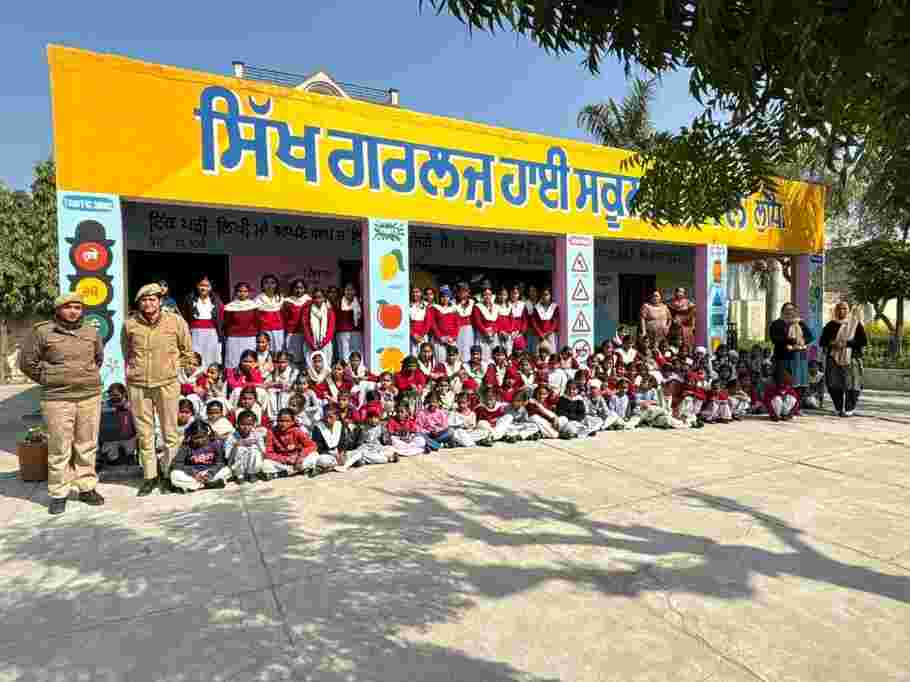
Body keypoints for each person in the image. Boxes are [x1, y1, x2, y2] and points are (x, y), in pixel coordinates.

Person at [19, 292, 106, 514]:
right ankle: (59, 493)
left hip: (89, 395)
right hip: (57, 399)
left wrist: (84, 376)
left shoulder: (91, 331)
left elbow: (98, 358)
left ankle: (86, 487)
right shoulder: (43, 331)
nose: (73, 311)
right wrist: (49, 379)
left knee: (87, 444)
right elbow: (27, 362)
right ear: (58, 309)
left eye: (77, 307)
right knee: (59, 447)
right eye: (68, 307)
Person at [122, 283, 195, 496]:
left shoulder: (175, 321)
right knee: (144, 433)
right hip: (138, 384)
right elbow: (127, 352)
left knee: (170, 431)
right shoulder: (130, 324)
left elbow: (187, 350)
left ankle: (169, 473)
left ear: (160, 301)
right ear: (139, 303)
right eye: (144, 300)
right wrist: (134, 371)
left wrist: (177, 369)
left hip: (167, 382)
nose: (148, 303)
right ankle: (150, 476)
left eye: (152, 299)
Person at [819, 301, 868, 417]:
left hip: (852, 358)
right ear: (836, 311)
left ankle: (849, 408)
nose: (842, 311)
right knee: (833, 384)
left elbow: (863, 341)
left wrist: (847, 343)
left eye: (844, 309)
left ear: (848, 310)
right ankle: (838, 407)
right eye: (839, 309)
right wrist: (832, 343)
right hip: (833, 358)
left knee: (852, 384)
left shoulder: (855, 324)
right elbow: (822, 341)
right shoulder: (830, 325)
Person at [169, 421, 232, 493]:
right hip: (193, 475)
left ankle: (197, 486)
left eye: (203, 437)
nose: (200, 440)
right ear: (191, 437)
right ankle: (207, 485)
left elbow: (220, 462)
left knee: (227, 470)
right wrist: (194, 473)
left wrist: (210, 473)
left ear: (207, 434)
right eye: (196, 438)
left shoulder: (215, 444)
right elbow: (177, 464)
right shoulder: (186, 446)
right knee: (174, 475)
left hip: (209, 472)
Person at [769, 302, 814, 391]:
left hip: (799, 357)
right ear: (782, 311)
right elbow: (775, 339)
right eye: (787, 309)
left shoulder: (800, 323)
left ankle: (799, 397)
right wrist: (791, 340)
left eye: (792, 309)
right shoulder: (777, 324)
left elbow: (810, 337)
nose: (790, 312)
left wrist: (802, 341)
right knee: (783, 383)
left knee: (799, 385)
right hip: (783, 357)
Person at [183, 275, 224, 370]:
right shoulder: (190, 299)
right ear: (197, 286)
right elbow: (185, 317)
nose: (203, 288)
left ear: (211, 287)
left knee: (210, 355)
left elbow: (221, 318)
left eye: (206, 286)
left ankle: (210, 375)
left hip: (212, 333)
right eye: (201, 285)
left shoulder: (216, 301)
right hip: (195, 333)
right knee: (196, 355)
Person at [98, 382, 137, 467]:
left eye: (116, 395)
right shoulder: (105, 406)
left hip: (129, 437)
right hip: (111, 439)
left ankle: (130, 458)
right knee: (113, 458)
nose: (113, 397)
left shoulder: (131, 405)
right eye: (111, 395)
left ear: (123, 394)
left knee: (130, 452)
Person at [223, 411, 267, 483]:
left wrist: (256, 444)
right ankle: (239, 475)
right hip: (237, 465)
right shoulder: (232, 436)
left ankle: (252, 473)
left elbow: (263, 454)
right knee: (240, 448)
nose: (246, 427)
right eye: (243, 424)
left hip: (251, 464)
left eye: (249, 424)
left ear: (254, 425)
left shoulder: (257, 435)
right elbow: (228, 457)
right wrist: (235, 446)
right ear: (237, 424)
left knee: (254, 448)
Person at [223, 282, 259, 369]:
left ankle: (249, 376)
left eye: (245, 291)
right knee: (233, 359)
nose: (242, 293)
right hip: (233, 338)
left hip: (250, 337)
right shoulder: (229, 306)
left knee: (249, 360)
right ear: (236, 292)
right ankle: (232, 376)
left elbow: (257, 322)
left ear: (249, 292)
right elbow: (226, 323)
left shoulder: (254, 306)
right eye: (240, 291)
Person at [299, 288, 336, 368]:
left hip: (325, 345)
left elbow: (331, 328)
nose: (317, 300)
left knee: (325, 366)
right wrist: (312, 344)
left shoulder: (329, 311)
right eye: (315, 297)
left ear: (324, 298)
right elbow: (305, 328)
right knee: (311, 366)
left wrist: (323, 343)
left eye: (320, 297)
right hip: (310, 345)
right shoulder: (307, 311)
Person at [255, 274, 285, 354]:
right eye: (266, 283)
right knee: (266, 352)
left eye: (272, 283)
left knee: (279, 351)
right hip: (265, 330)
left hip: (279, 330)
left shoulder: (281, 298)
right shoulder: (257, 300)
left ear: (276, 285)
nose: (269, 285)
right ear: (262, 286)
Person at [282, 279, 309, 367]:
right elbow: (284, 318)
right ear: (292, 289)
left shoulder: (309, 301)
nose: (299, 290)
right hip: (292, 334)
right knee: (292, 358)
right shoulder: (287, 301)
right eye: (296, 288)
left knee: (305, 357)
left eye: (301, 288)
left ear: (305, 289)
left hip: (306, 334)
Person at [336, 283, 363, 363]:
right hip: (343, 333)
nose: (349, 292)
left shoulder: (359, 302)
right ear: (344, 291)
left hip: (355, 332)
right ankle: (346, 369)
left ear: (355, 291)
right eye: (347, 290)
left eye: (351, 290)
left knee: (356, 353)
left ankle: (357, 369)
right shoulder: (339, 302)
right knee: (344, 355)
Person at [431, 286, 459, 364]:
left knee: (453, 361)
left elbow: (457, 324)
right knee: (441, 361)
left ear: (450, 297)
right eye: (442, 296)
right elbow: (433, 324)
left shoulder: (454, 309)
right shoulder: (435, 308)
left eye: (447, 296)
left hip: (451, 340)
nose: (445, 298)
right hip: (439, 340)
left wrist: (453, 337)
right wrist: (440, 337)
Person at [472, 285, 499, 363]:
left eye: (489, 294)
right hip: (482, 334)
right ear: (482, 296)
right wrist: (485, 332)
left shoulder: (495, 306)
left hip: (493, 334)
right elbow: (477, 321)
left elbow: (498, 321)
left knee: (494, 353)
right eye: (485, 295)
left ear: (492, 296)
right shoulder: (478, 306)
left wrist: (494, 331)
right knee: (484, 354)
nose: (487, 297)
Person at [530, 288, 558, 352]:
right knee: (538, 353)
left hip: (550, 335)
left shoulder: (554, 307)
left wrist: (549, 332)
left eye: (546, 294)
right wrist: (540, 333)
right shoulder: (536, 307)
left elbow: (555, 321)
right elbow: (534, 322)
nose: (544, 296)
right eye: (543, 295)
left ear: (550, 295)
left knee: (552, 353)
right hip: (539, 335)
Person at [454, 282, 476, 362]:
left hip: (470, 330)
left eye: (465, 291)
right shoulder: (453, 303)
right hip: (458, 329)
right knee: (458, 349)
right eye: (460, 291)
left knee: (468, 348)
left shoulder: (472, 302)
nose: (462, 293)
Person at [409, 287, 430, 356]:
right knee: (413, 356)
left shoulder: (426, 305)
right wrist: (413, 334)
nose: (415, 294)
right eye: (413, 292)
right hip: (412, 336)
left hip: (423, 336)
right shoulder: (407, 305)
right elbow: (406, 323)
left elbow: (428, 323)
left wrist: (421, 335)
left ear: (421, 293)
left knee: (424, 356)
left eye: (417, 292)